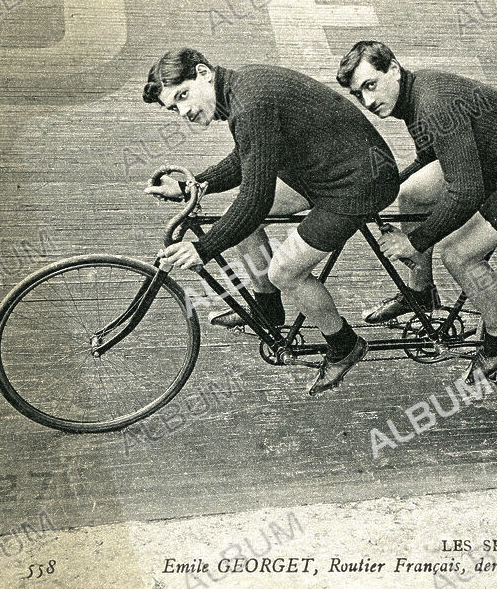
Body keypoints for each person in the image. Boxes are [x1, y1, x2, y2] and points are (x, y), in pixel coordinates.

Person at [142, 48, 399, 392]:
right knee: (244, 218)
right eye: (174, 107)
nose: (184, 111)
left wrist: (203, 248)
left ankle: (344, 346)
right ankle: (267, 310)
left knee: (285, 271)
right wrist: (195, 184)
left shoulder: (250, 103)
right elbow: (249, 155)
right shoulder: (241, 89)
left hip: (359, 182)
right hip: (326, 171)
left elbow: (256, 197)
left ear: (204, 72)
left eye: (183, 96)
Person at [336, 41, 497, 379]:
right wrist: (378, 191)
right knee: (412, 195)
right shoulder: (411, 97)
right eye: (359, 94)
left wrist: (415, 241)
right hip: (492, 163)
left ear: (394, 70)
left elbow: (467, 191)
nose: (369, 101)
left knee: (459, 255)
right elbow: (428, 157)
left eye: (371, 85)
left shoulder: (432, 103)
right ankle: (421, 293)